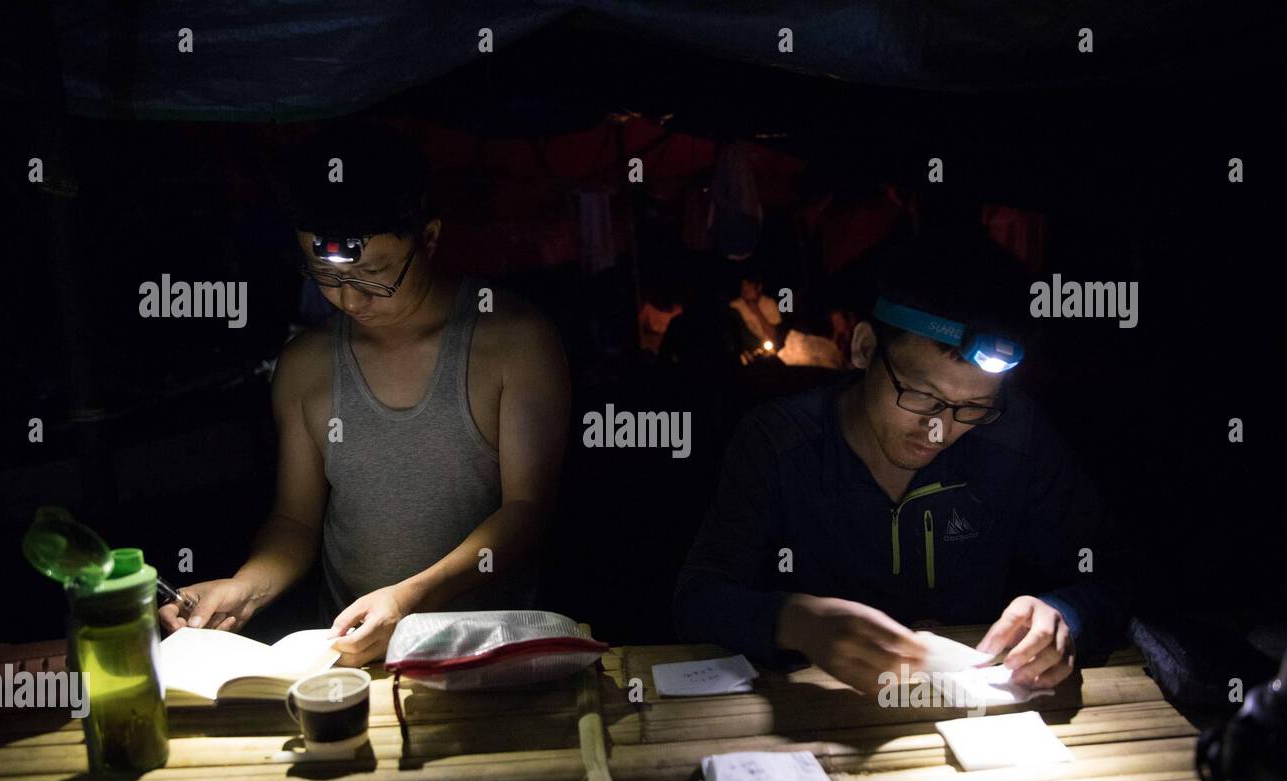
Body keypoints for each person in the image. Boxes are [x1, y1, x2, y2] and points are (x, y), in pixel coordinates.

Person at [160, 121, 570, 665]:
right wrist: (245, 586)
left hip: (487, 655)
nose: (349, 299)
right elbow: (295, 522)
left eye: (374, 275)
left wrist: (408, 600)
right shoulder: (305, 364)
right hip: (355, 657)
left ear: (429, 237)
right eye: (325, 277)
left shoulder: (514, 340)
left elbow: (527, 509)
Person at [674, 228, 1126, 693]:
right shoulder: (780, 441)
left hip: (977, 718)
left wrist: (1065, 616)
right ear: (864, 348)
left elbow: (1116, 573)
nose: (942, 429)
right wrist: (796, 621)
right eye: (921, 395)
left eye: (972, 407)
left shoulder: (1013, 434)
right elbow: (699, 597)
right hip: (818, 727)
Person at [729, 272, 782, 351]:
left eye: (749, 289)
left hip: (769, 349)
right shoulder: (735, 306)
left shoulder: (770, 303)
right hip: (746, 350)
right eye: (743, 290)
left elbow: (773, 335)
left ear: (759, 288)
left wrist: (756, 310)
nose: (745, 293)